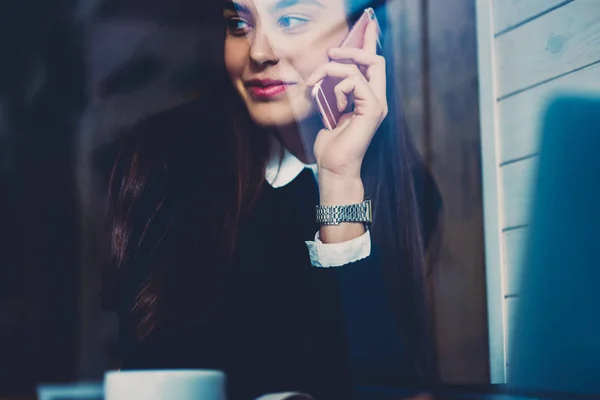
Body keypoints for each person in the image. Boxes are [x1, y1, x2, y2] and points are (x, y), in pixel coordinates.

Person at [102, 0, 443, 398]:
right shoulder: (168, 160)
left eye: (292, 20)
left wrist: (339, 182)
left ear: (365, 30)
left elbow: (386, 388)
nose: (259, 51)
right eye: (238, 24)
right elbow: (150, 375)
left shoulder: (412, 192)